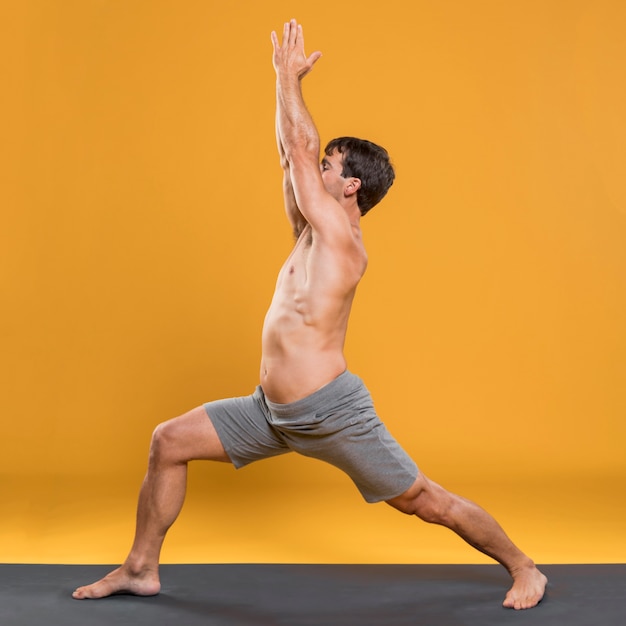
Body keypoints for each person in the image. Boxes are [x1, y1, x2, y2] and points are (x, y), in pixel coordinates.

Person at [73, 19, 547, 610]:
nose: (315, 168)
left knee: (425, 500)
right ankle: (140, 567)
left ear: (350, 187)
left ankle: (524, 566)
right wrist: (283, 92)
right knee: (167, 441)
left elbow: (297, 150)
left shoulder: (344, 241)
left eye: (329, 164)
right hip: (269, 411)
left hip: (330, 413)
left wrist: (287, 78)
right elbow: (288, 155)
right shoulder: (310, 232)